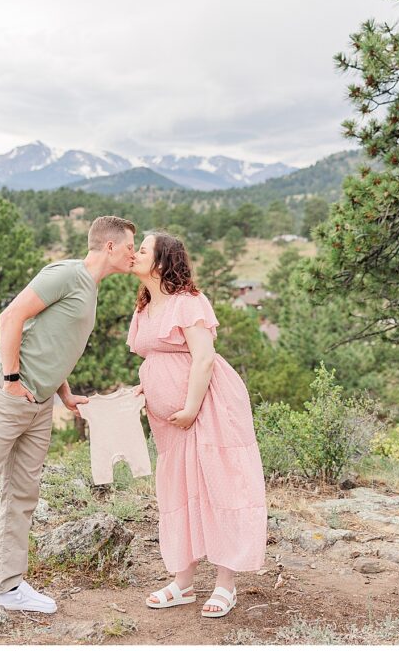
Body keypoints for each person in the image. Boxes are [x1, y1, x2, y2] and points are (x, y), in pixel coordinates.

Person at [0, 215, 137, 637]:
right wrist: (12, 378)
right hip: (5, 395)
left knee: (22, 495)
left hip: (39, 404)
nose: (134, 252)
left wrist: (65, 394)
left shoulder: (91, 289)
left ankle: (10, 586)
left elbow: (50, 341)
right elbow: (11, 317)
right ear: (109, 246)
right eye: (130, 245)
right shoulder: (67, 274)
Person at [127, 232, 267, 619]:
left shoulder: (189, 302)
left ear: (161, 262)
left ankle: (226, 584)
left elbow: (203, 358)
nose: (134, 254)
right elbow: (158, 359)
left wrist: (190, 406)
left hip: (208, 405)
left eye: (142, 249)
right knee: (178, 490)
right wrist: (144, 390)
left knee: (218, 484)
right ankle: (183, 582)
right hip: (168, 421)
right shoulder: (144, 306)